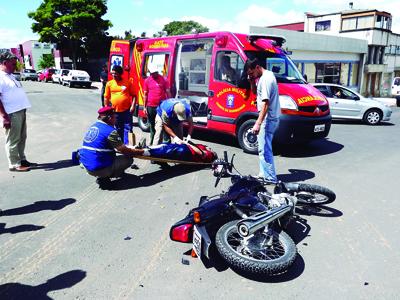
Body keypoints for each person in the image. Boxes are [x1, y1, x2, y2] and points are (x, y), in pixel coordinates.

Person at [79, 106, 146, 189]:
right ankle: (105, 176)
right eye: (115, 117)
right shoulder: (109, 131)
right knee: (128, 159)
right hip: (97, 167)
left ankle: (104, 174)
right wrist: (140, 151)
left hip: (87, 164)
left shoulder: (94, 126)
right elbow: (124, 150)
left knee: (110, 156)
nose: (116, 119)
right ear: (110, 118)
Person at [245, 58, 280, 182]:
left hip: (268, 119)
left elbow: (266, 103)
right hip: (268, 117)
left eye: (251, 73)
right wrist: (251, 80)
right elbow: (256, 93)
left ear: (258, 67)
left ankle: (270, 177)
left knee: (265, 148)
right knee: (262, 147)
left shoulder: (265, 80)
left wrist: (258, 123)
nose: (251, 76)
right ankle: (263, 174)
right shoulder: (263, 77)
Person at [0, 50, 36, 172]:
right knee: (13, 139)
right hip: (11, 113)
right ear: (4, 62)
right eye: (12, 64)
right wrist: (4, 116)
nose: (15, 66)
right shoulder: (0, 77)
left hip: (20, 111)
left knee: (22, 137)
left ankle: (22, 159)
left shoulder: (10, 76)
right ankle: (14, 164)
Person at [104, 65, 135, 144]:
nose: (113, 75)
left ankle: (128, 146)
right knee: (117, 129)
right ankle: (119, 146)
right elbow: (106, 97)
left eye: (116, 73)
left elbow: (134, 96)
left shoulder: (127, 82)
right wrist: (106, 109)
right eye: (112, 73)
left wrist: (133, 106)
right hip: (115, 111)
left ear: (120, 73)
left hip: (126, 111)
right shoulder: (109, 84)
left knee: (128, 128)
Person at [143, 65, 171, 145]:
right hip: (150, 106)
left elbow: (168, 92)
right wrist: (144, 107)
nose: (153, 75)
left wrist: (170, 104)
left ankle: (166, 142)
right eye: (152, 73)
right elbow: (145, 94)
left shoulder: (164, 79)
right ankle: (152, 142)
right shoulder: (147, 80)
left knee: (164, 124)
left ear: (157, 72)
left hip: (162, 106)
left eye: (155, 73)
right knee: (152, 125)